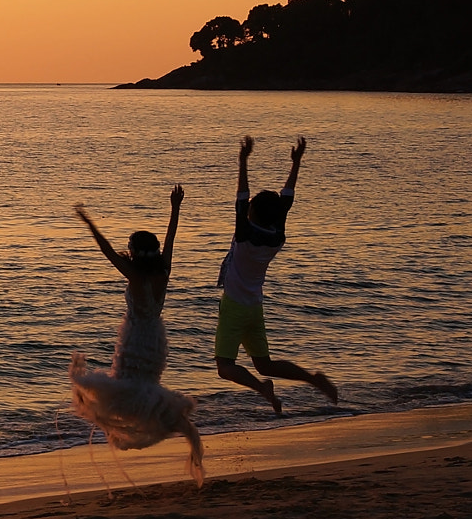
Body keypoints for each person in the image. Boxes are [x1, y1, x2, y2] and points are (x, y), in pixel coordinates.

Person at [68, 185, 206, 487]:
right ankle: (177, 427)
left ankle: (148, 426)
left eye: (129, 248)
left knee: (126, 390)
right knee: (140, 389)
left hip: (137, 338)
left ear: (134, 252)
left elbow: (106, 251)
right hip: (155, 338)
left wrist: (89, 222)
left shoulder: (136, 275)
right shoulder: (163, 270)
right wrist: (175, 208)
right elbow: (171, 239)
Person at [213, 136, 339, 413]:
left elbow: (242, 196)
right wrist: (296, 163)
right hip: (254, 307)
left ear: (252, 213)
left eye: (250, 208)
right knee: (265, 364)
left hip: (235, 306)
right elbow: (286, 200)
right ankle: (311, 379)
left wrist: (243, 161)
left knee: (225, 366)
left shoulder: (245, 234)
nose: (247, 208)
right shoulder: (276, 235)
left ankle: (262, 388)